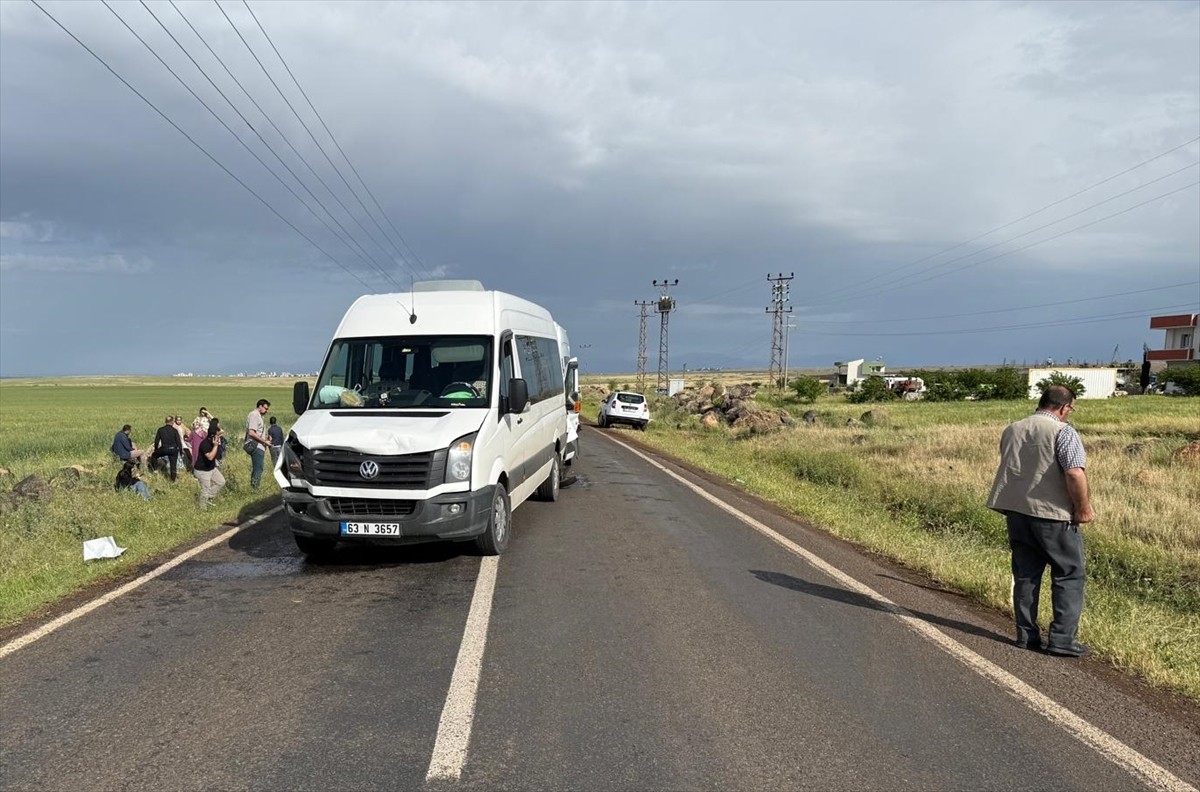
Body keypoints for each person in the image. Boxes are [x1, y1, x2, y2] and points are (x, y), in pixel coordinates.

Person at [987, 385, 1094, 658]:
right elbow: (1074, 474)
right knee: (1069, 573)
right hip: (1052, 514)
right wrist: (1083, 508)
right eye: (1070, 409)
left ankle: (1026, 636)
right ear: (1064, 407)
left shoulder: (1013, 428)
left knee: (1026, 575)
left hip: (1016, 512)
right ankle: (1062, 639)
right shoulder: (1063, 431)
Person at [193, 419, 226, 508]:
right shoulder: (205, 444)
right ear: (213, 436)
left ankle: (208, 497)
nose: (219, 437)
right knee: (205, 489)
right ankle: (202, 509)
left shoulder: (215, 441)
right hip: (202, 471)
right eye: (218, 435)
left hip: (211, 468)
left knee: (221, 482)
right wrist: (215, 446)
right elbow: (210, 457)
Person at [244, 399, 271, 488]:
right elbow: (251, 432)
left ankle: (254, 486)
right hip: (256, 445)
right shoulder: (254, 415)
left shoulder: (258, 416)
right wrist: (264, 441)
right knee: (258, 468)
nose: (267, 411)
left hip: (259, 444)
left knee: (258, 467)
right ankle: (255, 487)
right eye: (266, 408)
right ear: (260, 406)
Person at [150, 415, 182, 482]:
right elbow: (179, 442)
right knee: (173, 466)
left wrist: (156, 450)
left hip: (164, 448)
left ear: (165, 421)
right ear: (172, 422)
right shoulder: (174, 430)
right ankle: (173, 480)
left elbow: (156, 441)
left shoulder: (160, 430)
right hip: (173, 449)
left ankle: (155, 470)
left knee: (154, 456)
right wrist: (181, 451)